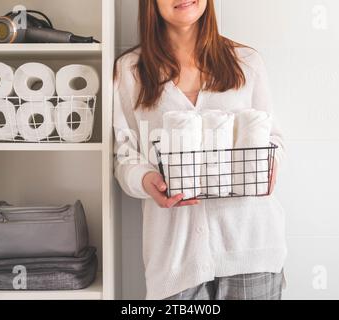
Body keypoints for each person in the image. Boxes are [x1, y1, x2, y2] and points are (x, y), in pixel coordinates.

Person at [113, 0, 286, 300]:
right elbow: (124, 155)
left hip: (251, 248)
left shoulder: (246, 62)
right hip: (175, 263)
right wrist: (146, 180)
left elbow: (274, 140)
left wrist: (270, 164)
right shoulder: (131, 71)